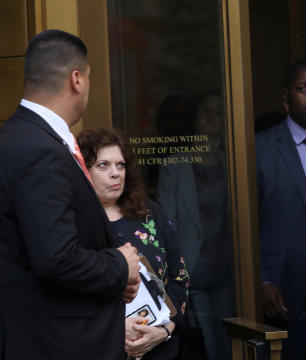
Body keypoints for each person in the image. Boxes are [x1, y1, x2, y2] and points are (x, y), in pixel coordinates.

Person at [0, 29, 140, 359]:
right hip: (57, 342)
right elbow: (56, 258)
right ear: (76, 79)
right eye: (90, 77)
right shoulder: (40, 149)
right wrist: (120, 266)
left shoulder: (13, 138)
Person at [77, 127, 190, 359]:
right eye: (103, 165)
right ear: (83, 170)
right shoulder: (71, 224)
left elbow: (181, 278)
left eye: (120, 165)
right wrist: (116, 329)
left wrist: (165, 330)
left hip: (161, 350)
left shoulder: (151, 214)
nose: (115, 173)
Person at [256, 58, 306, 359]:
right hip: (282, 293)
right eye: (303, 88)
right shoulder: (258, 149)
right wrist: (261, 280)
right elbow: (244, 223)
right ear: (286, 98)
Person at [156, 94, 233, 360]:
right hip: (192, 271)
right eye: (206, 111)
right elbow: (167, 222)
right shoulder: (174, 165)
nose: (212, 117)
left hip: (229, 271)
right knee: (207, 345)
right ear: (195, 120)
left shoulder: (234, 162)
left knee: (228, 341)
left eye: (218, 112)